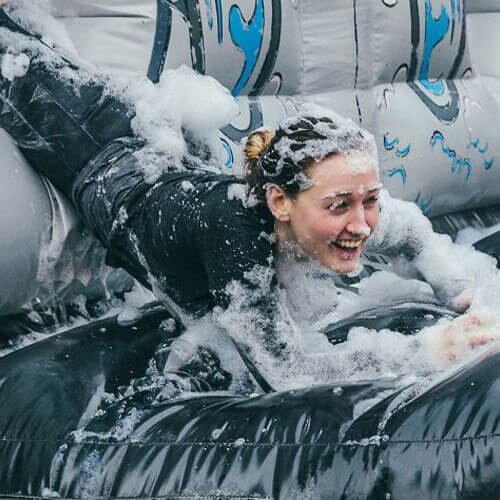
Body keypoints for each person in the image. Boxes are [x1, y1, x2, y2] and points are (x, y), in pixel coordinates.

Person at [0, 4, 497, 368]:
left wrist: (462, 296)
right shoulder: (238, 237)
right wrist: (427, 351)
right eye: (340, 205)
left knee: (39, 52)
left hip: (164, 156)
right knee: (12, 57)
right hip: (105, 163)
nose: (363, 224)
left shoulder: (340, 209)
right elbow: (286, 373)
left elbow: (411, 232)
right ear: (279, 201)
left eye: (369, 200)